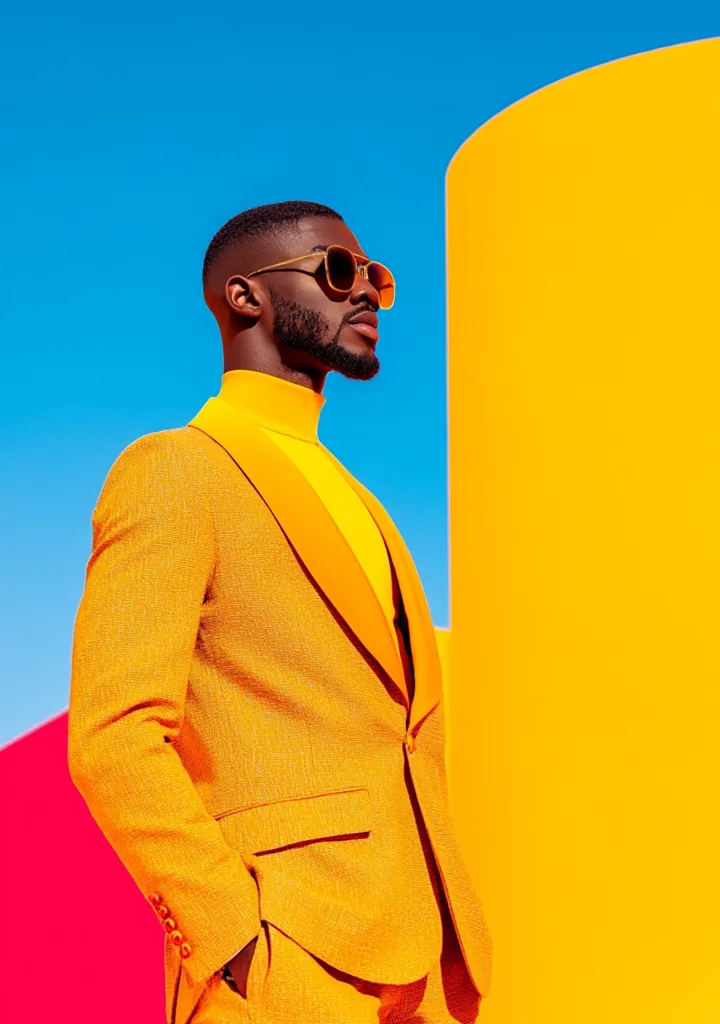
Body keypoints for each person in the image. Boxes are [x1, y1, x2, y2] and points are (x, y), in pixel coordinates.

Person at [67, 200, 492, 1024]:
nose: (364, 292)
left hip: (431, 966)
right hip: (284, 963)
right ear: (244, 297)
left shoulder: (365, 504)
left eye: (375, 277)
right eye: (338, 271)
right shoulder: (176, 472)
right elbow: (112, 735)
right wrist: (229, 934)